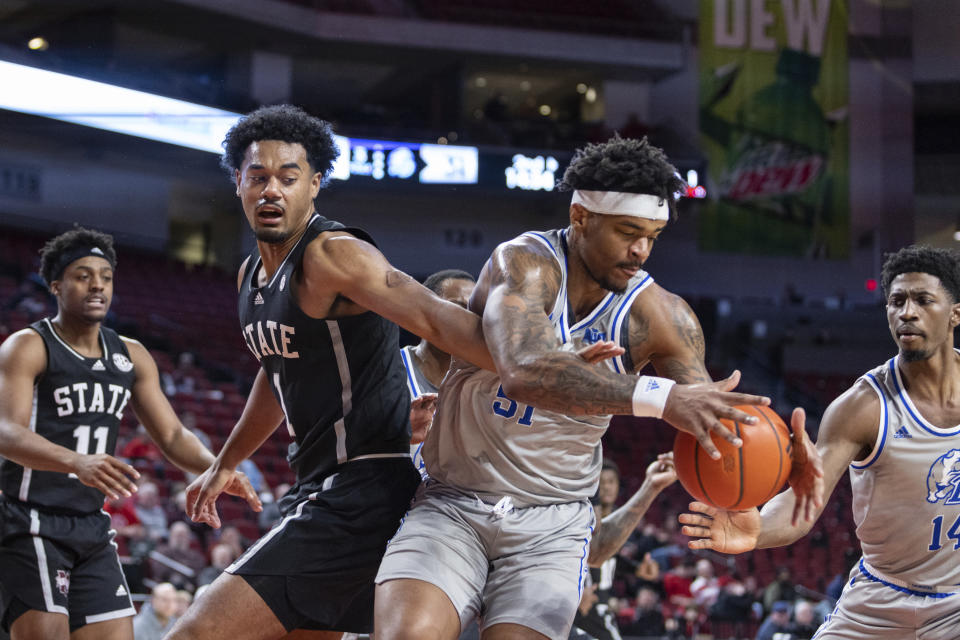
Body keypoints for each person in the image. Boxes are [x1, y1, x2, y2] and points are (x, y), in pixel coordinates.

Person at [374, 135, 821, 639]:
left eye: (653, 234)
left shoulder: (664, 317)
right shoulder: (522, 264)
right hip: (455, 501)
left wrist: (776, 465)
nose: (641, 250)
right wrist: (654, 396)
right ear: (581, 217)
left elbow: (709, 423)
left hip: (553, 528)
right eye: (628, 231)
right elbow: (523, 370)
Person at [167, 104, 503, 640]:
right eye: (258, 177)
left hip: (363, 488)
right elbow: (276, 375)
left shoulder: (333, 254)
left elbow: (434, 318)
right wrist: (225, 461)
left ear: (315, 184)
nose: (270, 190)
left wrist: (539, 367)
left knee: (196, 633)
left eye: (287, 177)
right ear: (238, 183)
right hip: (324, 487)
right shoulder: (250, 274)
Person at [680, 244, 960, 638]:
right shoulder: (862, 407)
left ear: (955, 313)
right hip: (880, 599)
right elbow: (804, 500)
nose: (907, 312)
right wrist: (758, 528)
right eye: (896, 301)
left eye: (923, 300)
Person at [0, 227, 258, 640]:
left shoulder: (130, 354)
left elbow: (172, 436)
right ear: (56, 285)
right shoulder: (28, 346)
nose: (97, 283)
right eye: (83, 275)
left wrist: (218, 468)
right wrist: (75, 461)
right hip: (29, 521)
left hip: (90, 525)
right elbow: (5, 433)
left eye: (105, 275)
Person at [571, 454, 677, 640]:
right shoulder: (580, 518)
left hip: (600, 609)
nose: (606, 486)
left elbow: (608, 558)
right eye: (601, 481)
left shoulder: (616, 525)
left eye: (611, 481)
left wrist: (637, 570)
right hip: (579, 607)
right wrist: (573, 592)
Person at [400, 269, 476, 471]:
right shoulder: (389, 369)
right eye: (458, 308)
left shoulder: (485, 381)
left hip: (460, 499)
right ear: (425, 310)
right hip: (393, 495)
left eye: (474, 311)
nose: (468, 319)